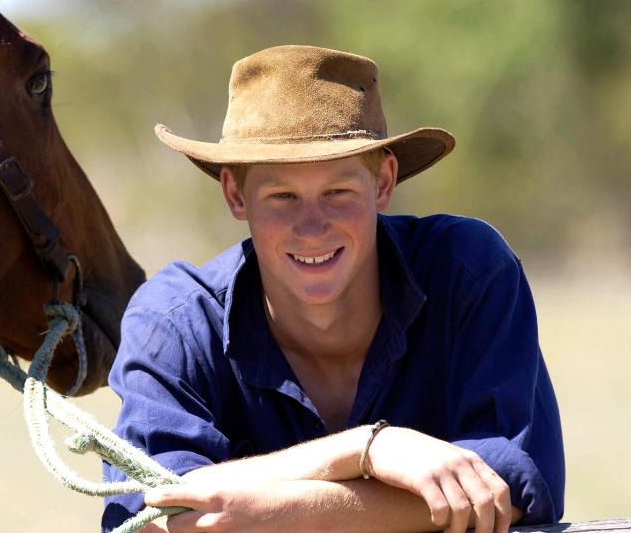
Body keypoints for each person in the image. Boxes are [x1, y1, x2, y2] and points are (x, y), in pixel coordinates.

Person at [101, 45, 564, 533]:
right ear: (236, 195)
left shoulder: (468, 272)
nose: (312, 226)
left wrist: (266, 511)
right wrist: (368, 448)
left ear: (383, 182)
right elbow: (151, 514)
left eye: (337, 192)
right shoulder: (173, 321)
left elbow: (509, 484)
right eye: (282, 196)